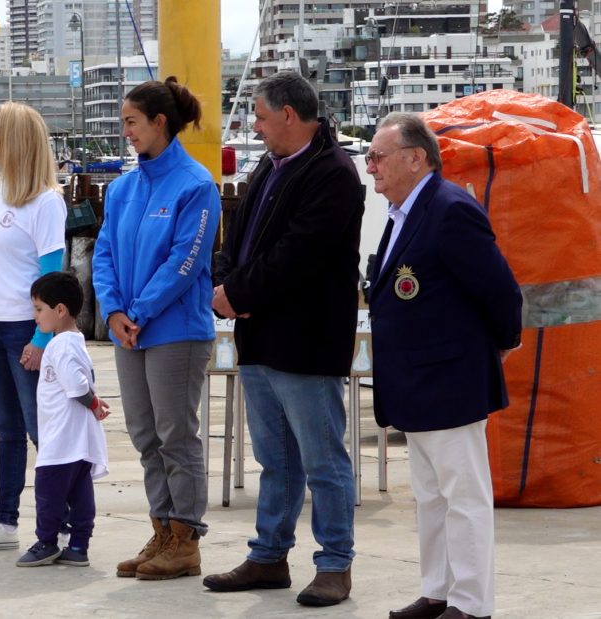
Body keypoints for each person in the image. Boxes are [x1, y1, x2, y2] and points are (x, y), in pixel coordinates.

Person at [205, 71, 364, 606]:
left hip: (306, 341)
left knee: (322, 460)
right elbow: (241, 238)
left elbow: (300, 254)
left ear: (289, 116)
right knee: (276, 460)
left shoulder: (333, 173)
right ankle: (269, 555)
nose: (255, 125)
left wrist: (238, 293)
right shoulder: (268, 167)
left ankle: (335, 564)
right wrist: (225, 281)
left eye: (260, 115)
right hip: (261, 336)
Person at [367, 113, 521, 619]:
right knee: (431, 498)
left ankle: (472, 603)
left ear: (416, 158)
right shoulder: (401, 214)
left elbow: (500, 291)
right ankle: (438, 592)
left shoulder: (450, 209)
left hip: (450, 378)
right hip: (415, 383)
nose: (370, 167)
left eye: (377, 156)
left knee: (464, 498)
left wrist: (498, 346)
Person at [92, 76, 220, 581]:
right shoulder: (122, 188)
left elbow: (185, 262)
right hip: (129, 330)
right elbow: (103, 252)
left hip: (175, 331)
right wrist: (113, 312)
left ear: (159, 122)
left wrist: (139, 312)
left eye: (131, 122)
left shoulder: (196, 184)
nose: (125, 131)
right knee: (146, 435)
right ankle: (161, 529)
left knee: (175, 434)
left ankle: (185, 538)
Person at [0, 101, 67, 553]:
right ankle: (6, 521)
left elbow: (52, 278)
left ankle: (59, 522)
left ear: (14, 139)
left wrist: (43, 339)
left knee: (42, 429)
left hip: (26, 329)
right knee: (5, 427)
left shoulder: (46, 202)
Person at [15, 272, 110, 568]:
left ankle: (47, 542)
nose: (35, 316)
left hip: (61, 439)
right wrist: (93, 401)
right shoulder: (75, 341)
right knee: (80, 492)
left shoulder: (60, 345)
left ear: (60, 310)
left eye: (39, 309)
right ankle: (79, 545)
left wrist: (93, 402)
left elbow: (77, 386)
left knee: (48, 492)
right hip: (79, 440)